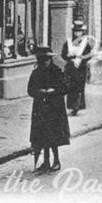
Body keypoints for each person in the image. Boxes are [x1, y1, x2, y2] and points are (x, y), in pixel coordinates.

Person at [27, 45, 70, 173]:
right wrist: (39, 92)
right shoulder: (36, 73)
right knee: (42, 136)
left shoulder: (57, 71)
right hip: (40, 108)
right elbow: (30, 90)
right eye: (43, 59)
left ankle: (56, 161)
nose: (46, 61)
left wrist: (54, 91)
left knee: (54, 136)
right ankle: (46, 162)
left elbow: (65, 87)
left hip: (55, 108)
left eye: (48, 59)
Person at [61, 21, 92, 116]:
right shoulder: (69, 42)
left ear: (82, 33)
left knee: (79, 87)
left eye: (79, 32)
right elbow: (63, 54)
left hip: (81, 68)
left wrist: (81, 59)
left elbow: (89, 55)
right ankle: (72, 105)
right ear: (73, 32)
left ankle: (77, 106)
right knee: (70, 87)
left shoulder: (85, 43)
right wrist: (69, 57)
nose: (78, 34)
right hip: (70, 68)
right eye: (76, 31)